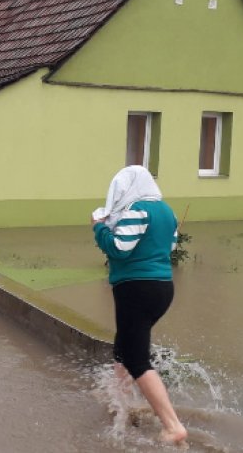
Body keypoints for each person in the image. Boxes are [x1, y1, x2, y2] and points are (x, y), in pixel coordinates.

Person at [91, 165, 188, 446]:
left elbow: (119, 248)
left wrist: (99, 228)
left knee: (136, 358)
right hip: (162, 288)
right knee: (123, 347)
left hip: (136, 289)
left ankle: (172, 426)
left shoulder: (138, 210)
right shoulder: (166, 211)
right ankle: (121, 402)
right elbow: (169, 247)